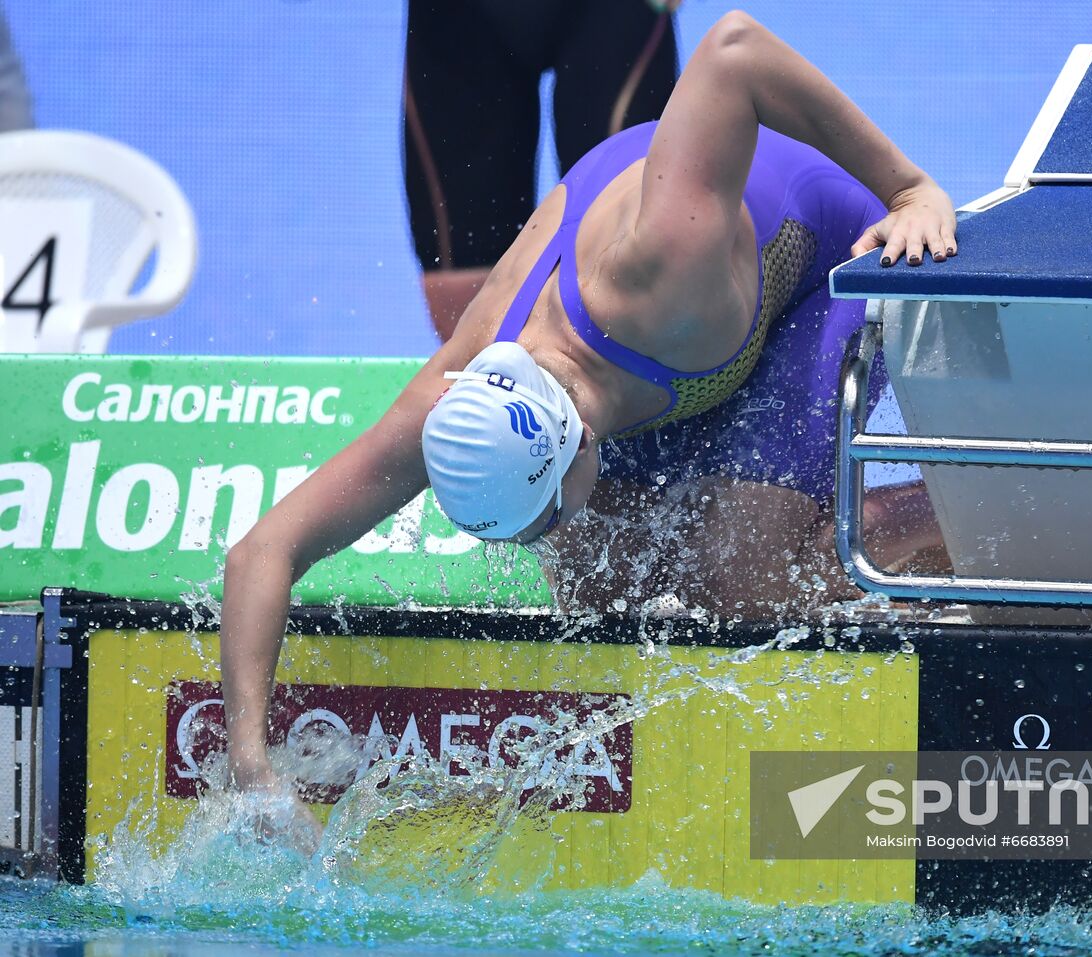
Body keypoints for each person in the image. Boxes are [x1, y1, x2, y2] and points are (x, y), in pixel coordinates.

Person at [221, 11, 957, 814]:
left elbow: (734, 51)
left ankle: (966, 530)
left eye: (536, 520)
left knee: (739, 585)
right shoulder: (463, 383)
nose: (534, 546)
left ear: (568, 448)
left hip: (825, 271)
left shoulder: (659, 268)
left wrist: (909, 190)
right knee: (606, 595)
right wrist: (251, 768)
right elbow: (264, 550)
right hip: (663, 369)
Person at [404, 0, 682, 340]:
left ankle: (595, 387)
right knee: (461, 286)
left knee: (624, 257)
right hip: (463, 16)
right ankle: (492, 386)